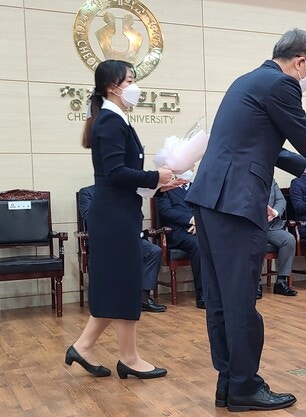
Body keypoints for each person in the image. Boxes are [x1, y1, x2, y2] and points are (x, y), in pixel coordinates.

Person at [185, 29, 306, 412]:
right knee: (240, 300)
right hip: (236, 203)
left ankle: (229, 383)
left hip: (210, 199)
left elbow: (265, 142)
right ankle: (246, 386)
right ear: (301, 62)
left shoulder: (248, 80)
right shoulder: (282, 85)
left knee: (220, 299)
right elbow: (305, 136)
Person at [66, 59, 177, 380]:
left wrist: (159, 183)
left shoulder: (114, 120)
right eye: (130, 80)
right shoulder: (110, 123)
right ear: (111, 87)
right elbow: (115, 174)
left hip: (119, 212)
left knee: (117, 284)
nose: (135, 86)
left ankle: (84, 347)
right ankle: (128, 357)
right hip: (113, 216)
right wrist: (156, 174)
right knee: (125, 284)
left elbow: (121, 175)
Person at [78, 185, 167, 312]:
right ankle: (105, 301)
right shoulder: (87, 192)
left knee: (154, 251)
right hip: (104, 240)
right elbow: (89, 217)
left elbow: (138, 215)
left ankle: (143, 298)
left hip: (129, 238)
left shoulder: (126, 191)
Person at [156, 172, 205, 309]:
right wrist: (190, 220)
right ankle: (203, 295)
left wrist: (198, 222)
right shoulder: (166, 189)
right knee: (198, 245)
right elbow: (166, 211)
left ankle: (222, 293)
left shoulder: (198, 187)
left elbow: (205, 208)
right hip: (177, 232)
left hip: (199, 229)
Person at [266, 179, 297, 296]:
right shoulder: (243, 179)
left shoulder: (271, 181)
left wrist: (274, 212)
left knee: (288, 239)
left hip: (272, 226)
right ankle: (255, 283)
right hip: (252, 227)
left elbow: (280, 200)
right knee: (256, 243)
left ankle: (281, 282)